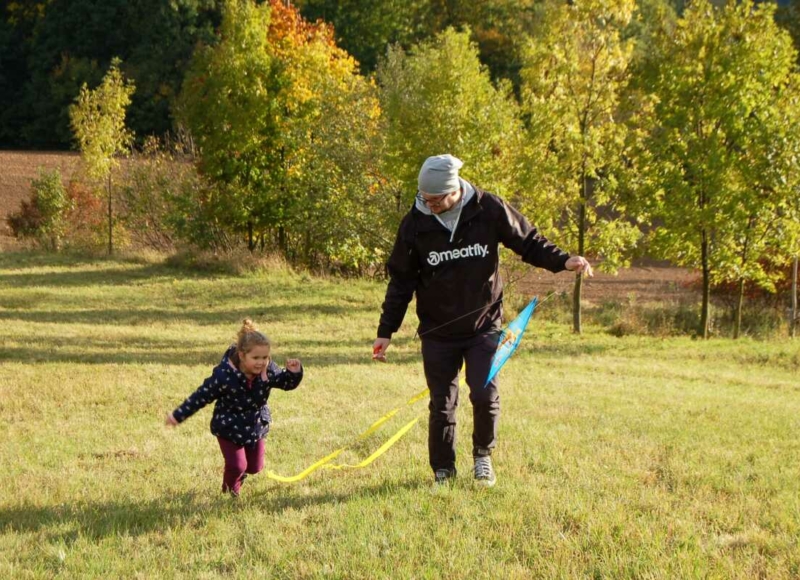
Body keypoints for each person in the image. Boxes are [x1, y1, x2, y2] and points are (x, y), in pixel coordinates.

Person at [372, 154, 592, 488]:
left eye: (435, 199)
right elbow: (401, 282)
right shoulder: (414, 224)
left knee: (485, 394)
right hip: (437, 331)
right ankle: (443, 470)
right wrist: (386, 330)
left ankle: (482, 457)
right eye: (425, 198)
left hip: (484, 326)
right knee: (442, 404)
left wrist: (563, 261)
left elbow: (528, 241)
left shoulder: (487, 208)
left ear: (454, 191)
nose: (429, 205)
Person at [165, 319, 303, 497]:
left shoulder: (267, 370)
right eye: (256, 358)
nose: (261, 362)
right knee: (237, 466)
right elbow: (200, 396)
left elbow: (285, 383)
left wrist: (293, 373)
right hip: (228, 426)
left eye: (265, 357)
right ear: (242, 355)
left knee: (255, 467)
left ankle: (239, 475)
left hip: (255, 425)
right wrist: (178, 415)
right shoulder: (224, 375)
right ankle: (229, 493)